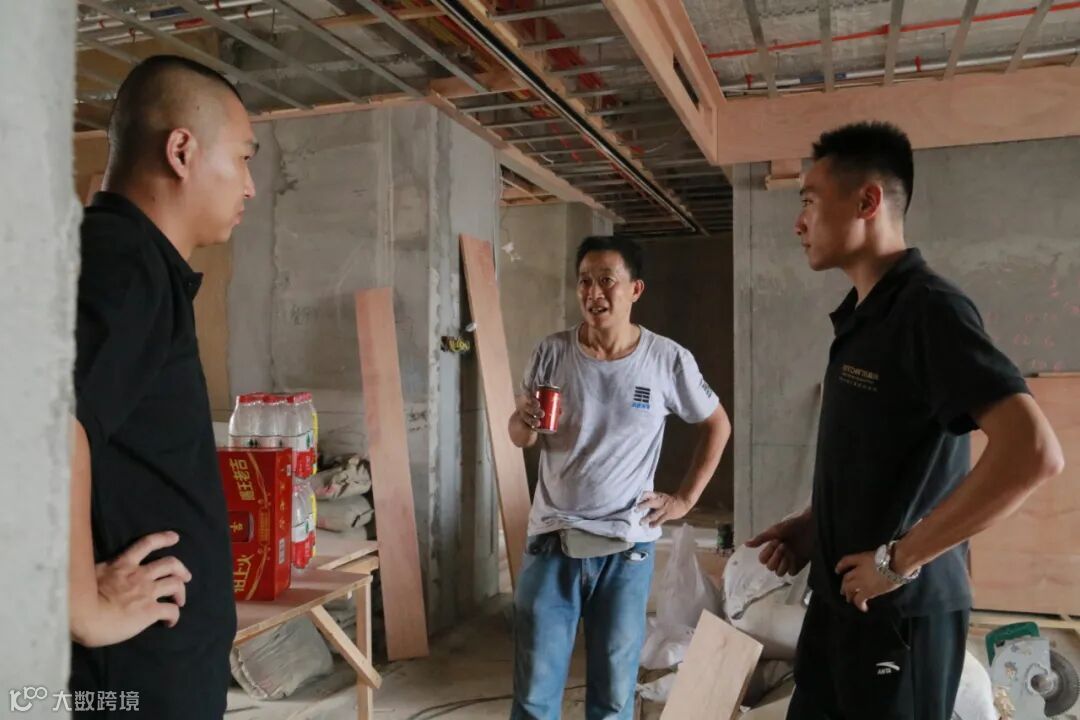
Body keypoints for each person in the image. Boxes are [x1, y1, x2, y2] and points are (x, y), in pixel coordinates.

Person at [747, 122, 1064, 720]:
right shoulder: (864, 317)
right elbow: (887, 457)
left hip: (899, 617)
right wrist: (815, 525)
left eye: (810, 201)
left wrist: (896, 562)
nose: (799, 223)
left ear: (867, 201)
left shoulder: (929, 309)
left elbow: (1032, 452)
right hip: (841, 603)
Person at [70, 55, 257, 718]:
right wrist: (83, 608)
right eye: (243, 159)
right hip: (126, 687)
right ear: (182, 151)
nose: (250, 186)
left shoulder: (135, 264)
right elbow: (46, 426)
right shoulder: (123, 264)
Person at [508, 235, 731, 719]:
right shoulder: (551, 352)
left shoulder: (666, 359)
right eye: (584, 281)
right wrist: (522, 421)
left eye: (606, 280)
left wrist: (685, 500)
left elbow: (717, 424)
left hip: (627, 549)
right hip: (553, 540)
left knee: (613, 697)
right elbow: (520, 436)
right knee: (534, 694)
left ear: (635, 289)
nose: (594, 292)